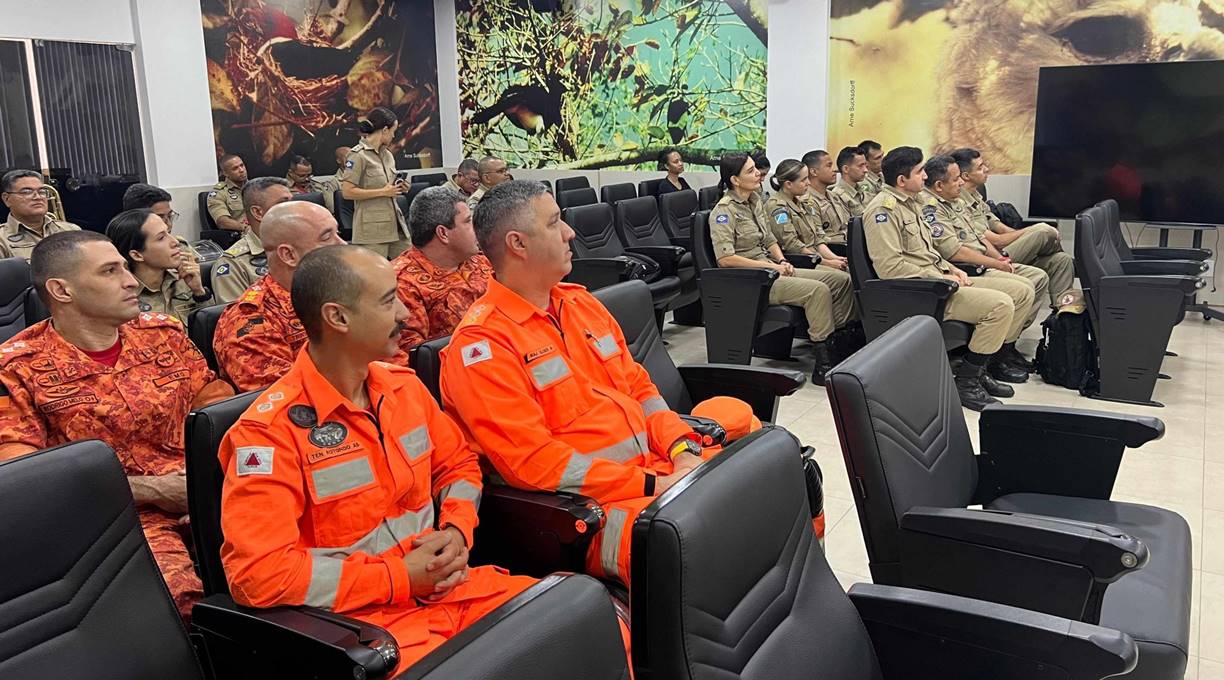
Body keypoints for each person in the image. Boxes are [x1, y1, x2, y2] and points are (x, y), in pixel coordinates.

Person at [218, 244, 557, 665]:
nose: (404, 313)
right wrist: (398, 578)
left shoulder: (404, 388)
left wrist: (456, 530)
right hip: (367, 630)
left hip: (453, 591)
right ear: (337, 318)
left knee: (593, 624)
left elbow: (459, 466)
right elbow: (257, 575)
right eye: (386, 300)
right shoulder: (268, 434)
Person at [440, 180, 752, 587]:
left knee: (777, 485)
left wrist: (683, 449)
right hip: (591, 514)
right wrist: (654, 483)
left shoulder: (580, 303)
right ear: (518, 244)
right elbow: (534, 464)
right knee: (727, 542)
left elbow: (641, 389)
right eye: (555, 223)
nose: (570, 233)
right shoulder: (482, 347)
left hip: (659, 471)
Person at [0, 231, 234, 619]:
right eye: (111, 271)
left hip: (207, 487)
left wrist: (209, 477)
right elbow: (29, 479)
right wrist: (153, 489)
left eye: (126, 267)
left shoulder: (163, 333)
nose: (131, 281)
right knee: (181, 607)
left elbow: (212, 402)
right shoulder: (16, 369)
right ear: (62, 290)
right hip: (116, 516)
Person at [863, 147, 1024, 410]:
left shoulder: (913, 203)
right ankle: (967, 382)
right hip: (920, 291)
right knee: (1000, 306)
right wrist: (941, 275)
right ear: (902, 180)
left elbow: (926, 252)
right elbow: (890, 268)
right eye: (919, 172)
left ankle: (980, 369)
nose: (925, 176)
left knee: (1015, 293)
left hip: (935, 279)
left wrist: (951, 268)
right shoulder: (883, 210)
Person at [710, 153, 857, 383]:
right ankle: (823, 361)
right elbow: (726, 259)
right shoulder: (724, 211)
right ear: (735, 180)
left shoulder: (755, 200)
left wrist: (780, 261)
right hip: (754, 279)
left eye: (755, 169)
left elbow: (769, 239)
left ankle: (839, 340)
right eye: (750, 171)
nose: (758, 173)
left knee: (841, 280)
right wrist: (769, 266)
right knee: (817, 291)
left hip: (770, 267)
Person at [920, 155, 1042, 389]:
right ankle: (974, 374)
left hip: (966, 266)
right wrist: (952, 271)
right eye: (956, 179)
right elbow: (950, 251)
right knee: (1009, 298)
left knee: (1027, 285)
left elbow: (979, 237)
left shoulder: (954, 200)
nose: (960, 184)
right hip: (952, 274)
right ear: (938, 185)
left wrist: (999, 260)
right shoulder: (927, 207)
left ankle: (999, 354)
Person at [213, 201, 348, 391]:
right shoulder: (251, 321)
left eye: (338, 234)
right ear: (289, 255)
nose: (342, 245)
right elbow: (291, 399)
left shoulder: (343, 291)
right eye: (327, 237)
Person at [950, 147, 1075, 307]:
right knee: (1045, 230)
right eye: (980, 167)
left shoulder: (976, 195)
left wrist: (1030, 240)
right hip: (990, 257)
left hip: (1005, 251)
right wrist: (1033, 232)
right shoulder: (957, 201)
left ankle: (1064, 318)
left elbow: (1001, 229)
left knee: (1061, 260)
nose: (986, 169)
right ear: (966, 176)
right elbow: (996, 240)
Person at [393, 187, 492, 351]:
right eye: (468, 221)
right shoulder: (403, 284)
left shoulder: (480, 261)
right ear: (443, 234)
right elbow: (409, 356)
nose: (477, 227)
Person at [108, 209, 214, 324]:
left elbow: (214, 333)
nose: (175, 242)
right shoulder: (124, 298)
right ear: (137, 255)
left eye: (169, 233)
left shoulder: (184, 279)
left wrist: (199, 292)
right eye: (161, 238)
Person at [339, 107, 412, 257]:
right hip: (372, 230)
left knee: (409, 266)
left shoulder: (388, 155)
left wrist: (401, 187)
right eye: (393, 131)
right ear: (385, 130)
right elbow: (347, 192)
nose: (393, 136)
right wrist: (382, 192)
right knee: (374, 276)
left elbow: (389, 186)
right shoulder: (357, 156)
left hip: (396, 225)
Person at [212, 177, 294, 303]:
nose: (293, 210)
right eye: (282, 204)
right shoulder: (234, 264)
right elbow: (237, 318)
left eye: (292, 203)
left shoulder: (301, 247)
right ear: (258, 213)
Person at [765, 159, 850, 274]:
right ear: (788, 184)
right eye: (804, 180)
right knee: (842, 277)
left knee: (849, 269)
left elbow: (817, 238)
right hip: (799, 260)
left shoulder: (803, 204)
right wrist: (827, 262)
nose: (808, 183)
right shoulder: (777, 207)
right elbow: (793, 245)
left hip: (814, 257)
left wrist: (834, 258)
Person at [0, 169, 80, 260]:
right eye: (27, 192)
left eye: (42, 191)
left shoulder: (71, 230)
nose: (37, 197)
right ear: (6, 199)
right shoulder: (2, 240)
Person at [802, 150, 854, 253]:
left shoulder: (835, 197)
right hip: (831, 250)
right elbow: (816, 239)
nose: (834, 170)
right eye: (828, 166)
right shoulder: (807, 201)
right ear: (813, 172)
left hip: (849, 246)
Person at [208, 154, 249, 232]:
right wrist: (245, 227)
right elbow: (222, 222)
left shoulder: (255, 187)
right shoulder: (219, 193)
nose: (241, 170)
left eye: (242, 165)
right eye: (235, 168)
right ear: (225, 173)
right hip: (242, 233)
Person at [830, 146, 869, 216]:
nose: (865, 170)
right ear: (846, 169)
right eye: (860, 166)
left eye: (865, 165)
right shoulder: (837, 197)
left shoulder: (863, 192)